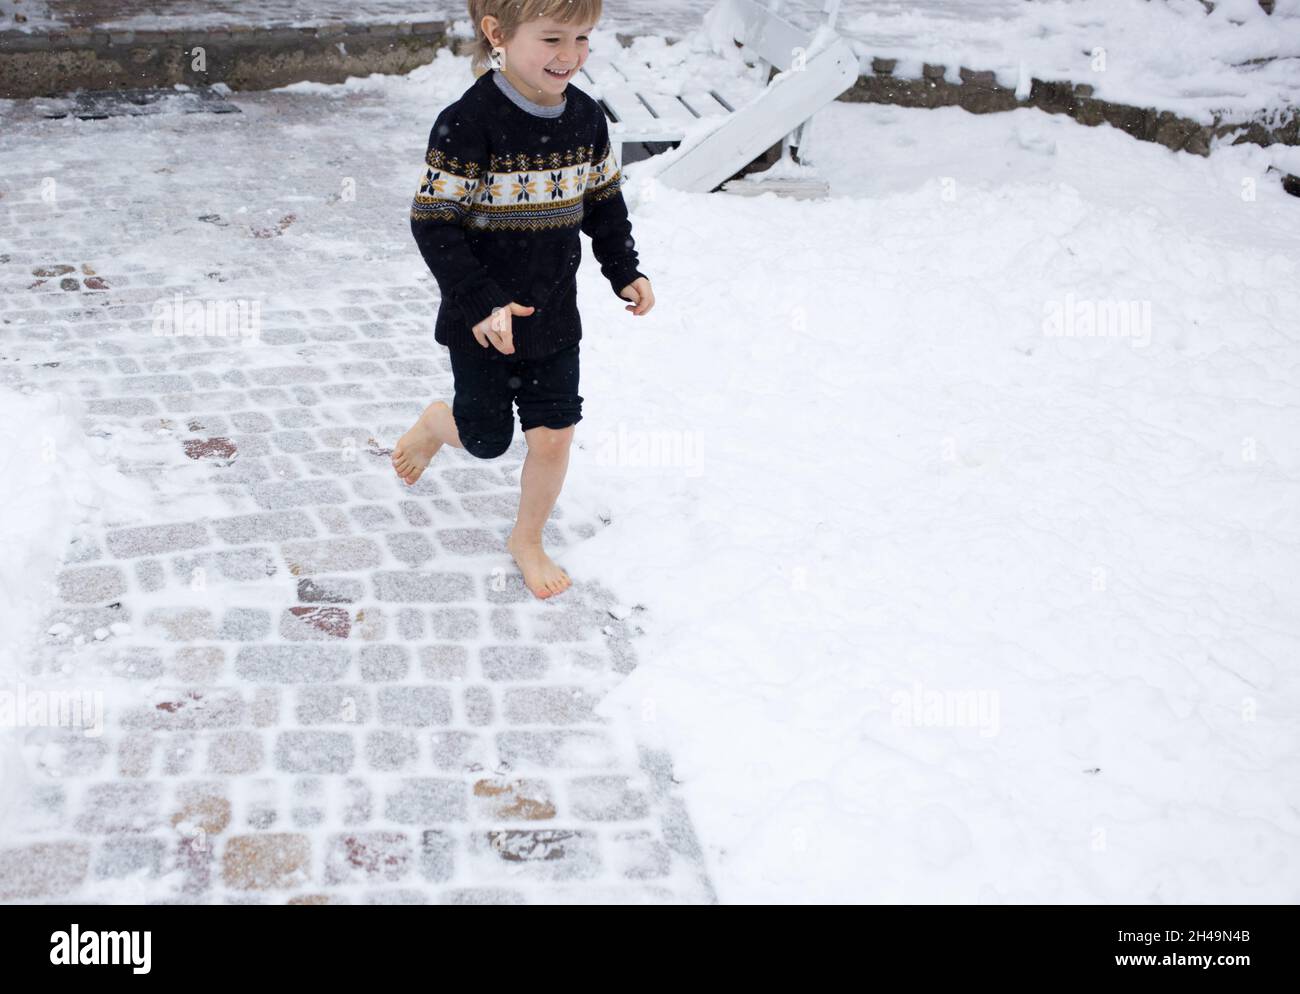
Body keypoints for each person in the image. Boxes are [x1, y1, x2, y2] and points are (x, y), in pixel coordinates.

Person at [392, 0, 655, 600]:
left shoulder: (586, 118)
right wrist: (481, 302)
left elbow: (603, 203)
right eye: (553, 39)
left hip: (555, 314)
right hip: (483, 320)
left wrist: (623, 269)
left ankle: (528, 538)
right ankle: (440, 422)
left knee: (554, 434)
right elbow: (434, 221)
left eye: (583, 39)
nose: (570, 57)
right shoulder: (468, 122)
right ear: (497, 35)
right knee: (487, 441)